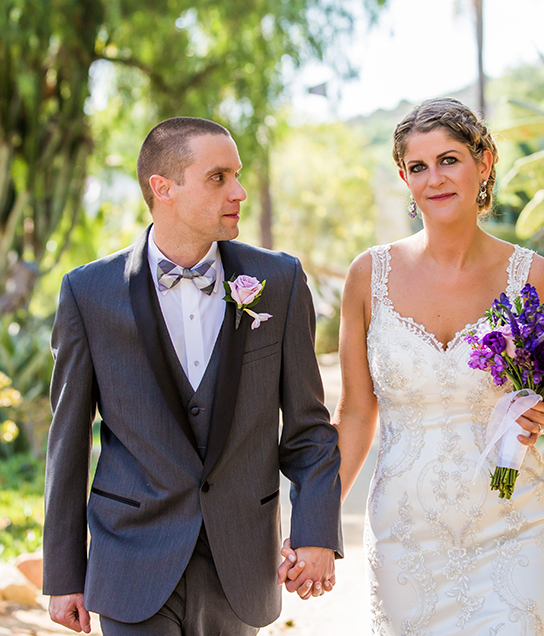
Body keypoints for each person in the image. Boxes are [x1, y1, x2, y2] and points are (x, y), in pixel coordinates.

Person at [43, 117, 342, 636]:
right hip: (131, 561)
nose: (239, 191)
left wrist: (315, 531)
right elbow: (67, 442)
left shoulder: (280, 281)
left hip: (241, 563)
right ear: (164, 189)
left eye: (238, 175)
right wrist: (63, 574)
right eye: (218, 177)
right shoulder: (88, 292)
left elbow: (308, 428)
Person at [280, 98, 544, 634]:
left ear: (484, 162)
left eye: (449, 160)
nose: (434, 178)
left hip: (514, 525)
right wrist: (312, 525)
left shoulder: (537, 278)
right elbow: (357, 417)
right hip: (404, 538)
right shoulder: (369, 277)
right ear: (404, 178)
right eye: (419, 167)